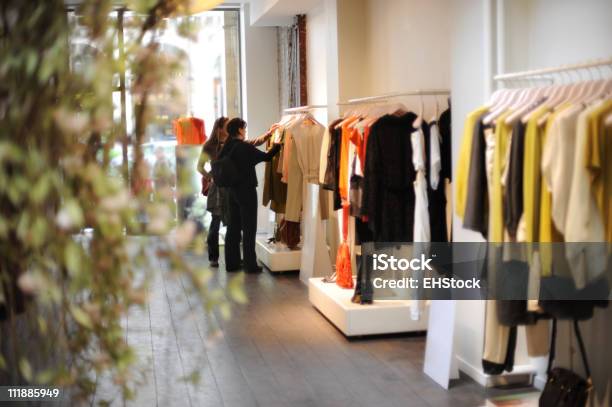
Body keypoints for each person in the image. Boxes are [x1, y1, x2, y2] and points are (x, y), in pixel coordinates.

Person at [220, 118, 281, 273]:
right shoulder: (243, 147)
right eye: (244, 128)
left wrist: (268, 135)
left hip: (231, 192)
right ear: (240, 130)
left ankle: (231, 264)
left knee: (233, 227)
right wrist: (279, 144)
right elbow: (266, 157)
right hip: (246, 191)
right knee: (249, 228)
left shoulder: (227, 147)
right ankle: (249, 265)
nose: (245, 130)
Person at [198, 117, 229, 267]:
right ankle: (213, 257)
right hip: (218, 189)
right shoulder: (210, 145)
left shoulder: (231, 143)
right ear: (219, 128)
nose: (229, 129)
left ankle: (231, 257)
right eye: (226, 126)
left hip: (230, 187)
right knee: (216, 222)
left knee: (230, 223)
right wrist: (210, 177)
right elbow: (199, 167)